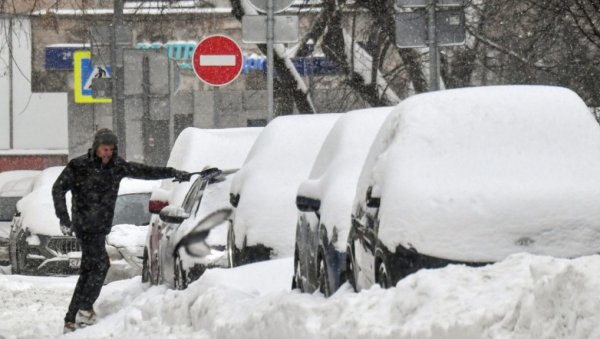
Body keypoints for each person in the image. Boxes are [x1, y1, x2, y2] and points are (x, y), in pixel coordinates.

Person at [52, 128, 191, 333]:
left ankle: (72, 318)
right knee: (99, 265)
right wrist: (64, 218)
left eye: (111, 149)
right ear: (96, 148)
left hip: (100, 227)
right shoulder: (78, 166)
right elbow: (58, 189)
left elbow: (145, 171)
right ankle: (84, 309)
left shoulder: (117, 167)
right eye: (104, 149)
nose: (108, 153)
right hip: (84, 225)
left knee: (89, 270)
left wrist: (172, 173)